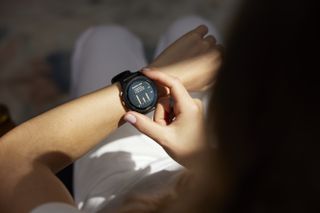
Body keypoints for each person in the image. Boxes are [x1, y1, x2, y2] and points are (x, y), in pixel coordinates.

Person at [0, 16, 223, 213]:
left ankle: (63, 71)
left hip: (112, 186)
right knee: (191, 26)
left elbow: (9, 163)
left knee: (104, 38)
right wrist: (200, 156)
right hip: (204, 161)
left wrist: (160, 78)